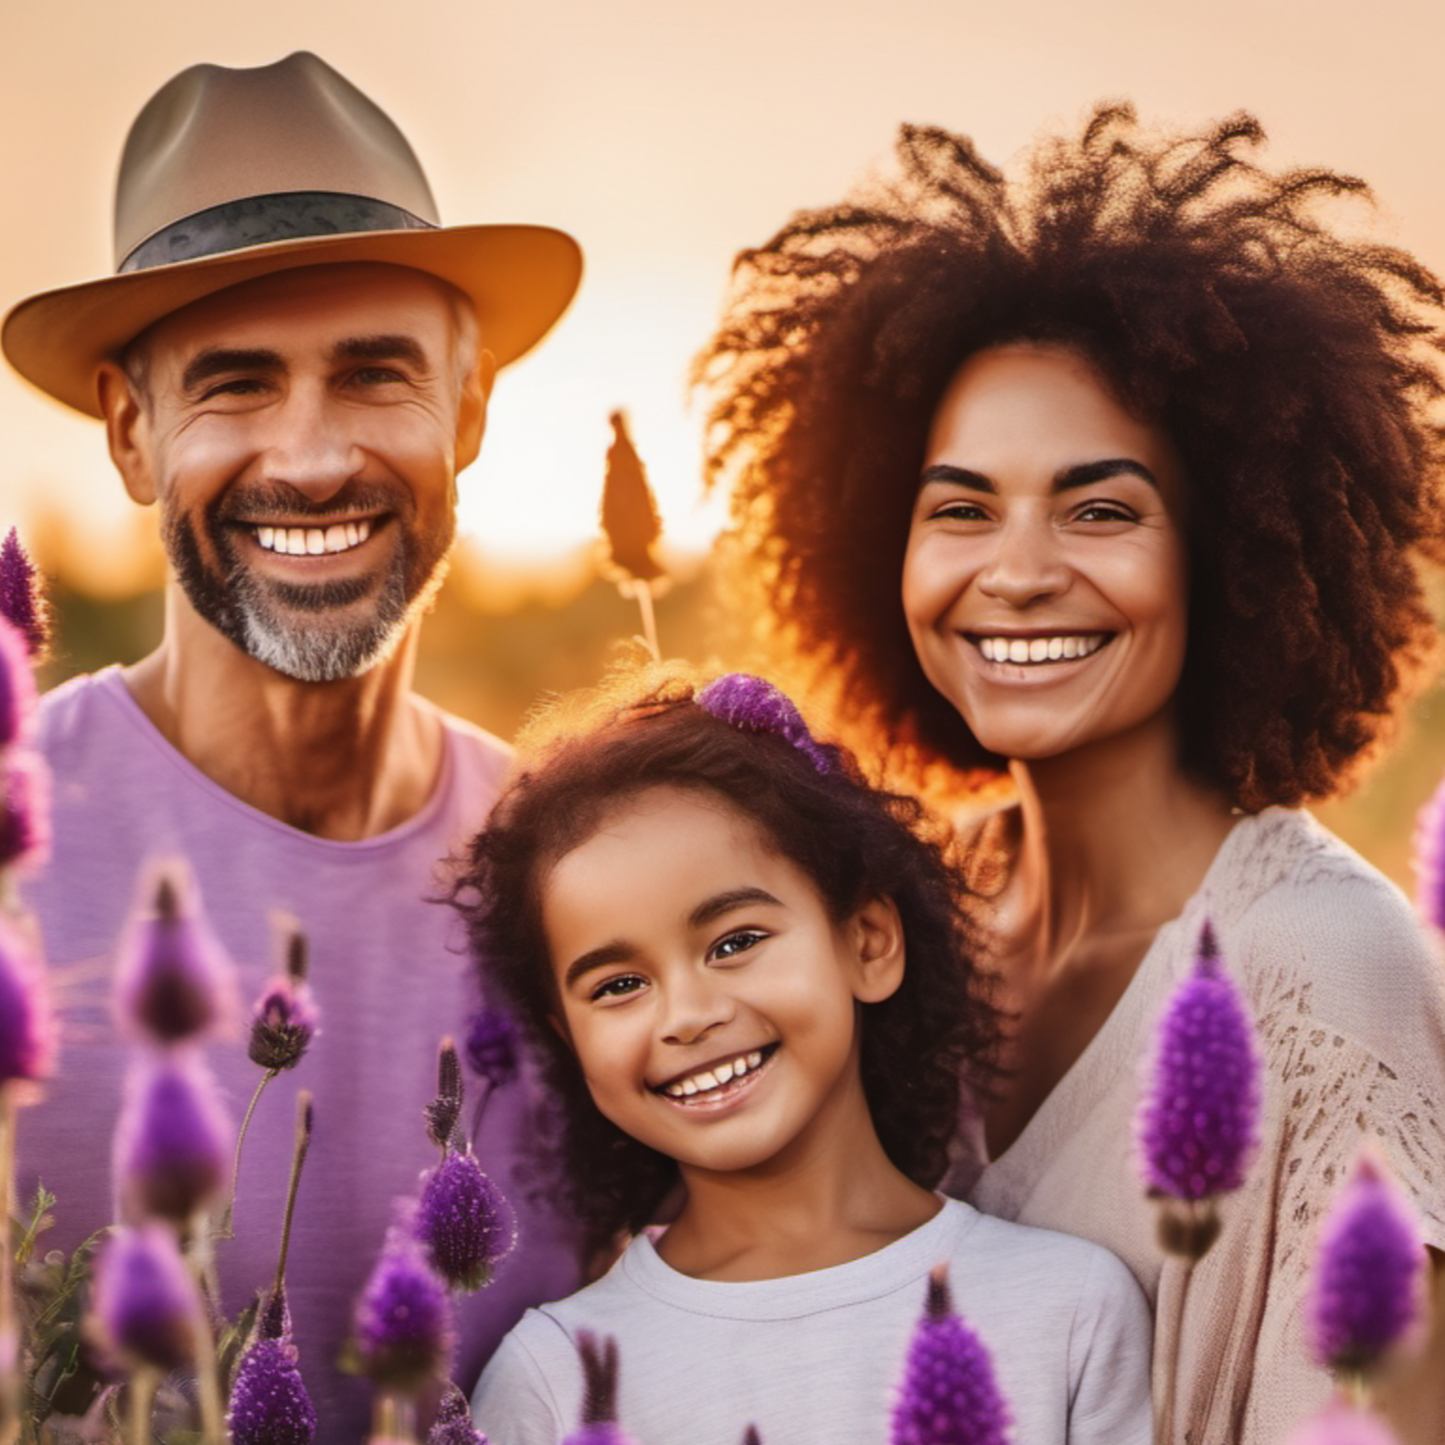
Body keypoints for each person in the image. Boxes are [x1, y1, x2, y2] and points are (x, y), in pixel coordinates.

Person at [695, 108, 1445, 1442]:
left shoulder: (1330, 974)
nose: (1017, 570)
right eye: (960, 506)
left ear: (1230, 554)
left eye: (1100, 508)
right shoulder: (902, 908)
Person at [0, 53, 583, 1436]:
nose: (312, 458)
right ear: (133, 433)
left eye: (375, 374)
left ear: (472, 409)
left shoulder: (585, 882)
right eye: (237, 386)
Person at [455, 669, 1152, 1445]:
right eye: (620, 984)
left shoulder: (1068, 1307)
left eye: (736, 941)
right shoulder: (553, 1379)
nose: (687, 1015)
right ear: (567, 1038)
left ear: (867, 943)